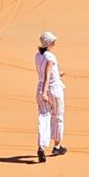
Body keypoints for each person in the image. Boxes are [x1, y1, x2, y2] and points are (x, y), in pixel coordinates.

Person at [35, 31, 67, 163]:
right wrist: (45, 92)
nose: (55, 43)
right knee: (58, 116)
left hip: (40, 87)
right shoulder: (50, 57)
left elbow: (45, 73)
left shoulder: (37, 55)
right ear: (48, 43)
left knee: (44, 116)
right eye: (53, 41)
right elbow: (48, 75)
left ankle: (41, 146)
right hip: (53, 90)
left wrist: (58, 74)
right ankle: (57, 146)